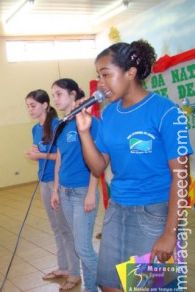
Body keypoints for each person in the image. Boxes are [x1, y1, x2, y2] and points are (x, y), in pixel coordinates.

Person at [75, 40, 193, 292]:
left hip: (155, 213)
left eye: (106, 74)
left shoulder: (166, 112)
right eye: (98, 76)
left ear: (130, 72)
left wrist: (170, 232)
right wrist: (84, 133)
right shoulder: (108, 114)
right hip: (118, 210)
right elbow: (98, 168)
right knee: (109, 285)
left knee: (148, 288)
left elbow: (182, 178)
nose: (101, 84)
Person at [25, 89, 80, 282]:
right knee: (56, 227)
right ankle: (63, 267)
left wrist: (40, 155)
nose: (29, 109)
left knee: (65, 228)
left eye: (33, 105)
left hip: (58, 182)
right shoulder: (35, 129)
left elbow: (62, 156)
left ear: (45, 105)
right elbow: (43, 153)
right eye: (27, 106)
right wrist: (35, 154)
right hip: (44, 181)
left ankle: (74, 272)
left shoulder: (58, 125)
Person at [51, 78, 100, 292]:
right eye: (53, 94)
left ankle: (111, 284)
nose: (55, 99)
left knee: (83, 248)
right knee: (81, 247)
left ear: (73, 95)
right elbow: (60, 158)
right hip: (65, 191)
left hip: (83, 192)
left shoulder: (89, 121)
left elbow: (99, 159)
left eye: (59, 93)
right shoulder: (60, 125)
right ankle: (90, 288)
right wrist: (55, 189)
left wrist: (91, 192)